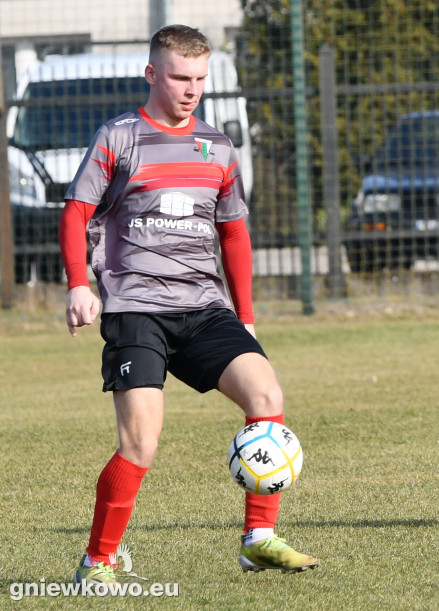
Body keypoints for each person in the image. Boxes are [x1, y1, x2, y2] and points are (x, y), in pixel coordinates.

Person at [60, 24, 319, 583]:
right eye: (180, 76)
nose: (191, 88)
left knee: (266, 392)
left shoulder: (217, 146)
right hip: (136, 308)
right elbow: (76, 211)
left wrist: (245, 315)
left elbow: (234, 234)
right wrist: (80, 284)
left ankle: (259, 539)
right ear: (152, 74)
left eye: (200, 78)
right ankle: (97, 562)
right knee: (141, 442)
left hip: (205, 308)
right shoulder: (119, 137)